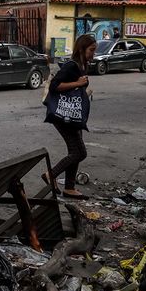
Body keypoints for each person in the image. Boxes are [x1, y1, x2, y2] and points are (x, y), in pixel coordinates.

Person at [43, 34, 97, 199]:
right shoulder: (71, 66)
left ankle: (69, 187)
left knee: (75, 150)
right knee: (79, 152)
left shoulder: (81, 65)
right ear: (81, 49)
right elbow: (54, 86)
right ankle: (51, 175)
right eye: (91, 50)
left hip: (73, 114)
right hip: (63, 115)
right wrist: (78, 83)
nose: (93, 54)